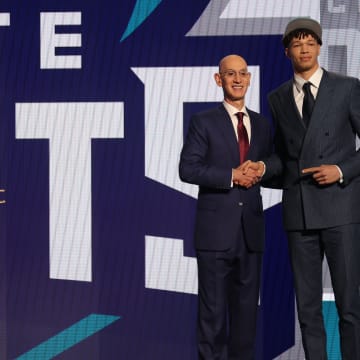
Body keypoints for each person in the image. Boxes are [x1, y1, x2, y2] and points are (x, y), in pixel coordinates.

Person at [245, 18, 360, 359]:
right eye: (297, 44)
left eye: (310, 42)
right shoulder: (278, 97)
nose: (305, 48)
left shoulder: (347, 87)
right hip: (299, 214)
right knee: (307, 310)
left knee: (350, 306)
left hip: (341, 210)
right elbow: (285, 157)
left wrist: (340, 169)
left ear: (320, 47)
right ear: (287, 51)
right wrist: (263, 167)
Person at [179, 54, 273, 359]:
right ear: (219, 80)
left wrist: (260, 167)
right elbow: (188, 169)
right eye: (230, 74)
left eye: (242, 73)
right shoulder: (203, 121)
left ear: (249, 79)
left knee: (246, 322)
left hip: (251, 234)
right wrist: (231, 175)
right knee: (213, 320)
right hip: (215, 235)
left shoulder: (261, 123)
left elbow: (278, 164)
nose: (237, 79)